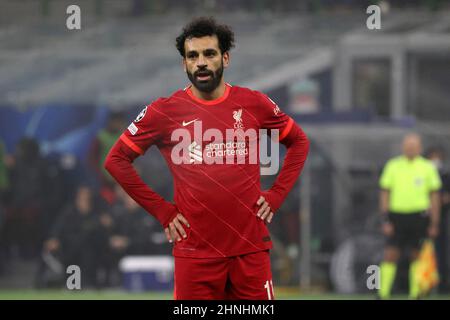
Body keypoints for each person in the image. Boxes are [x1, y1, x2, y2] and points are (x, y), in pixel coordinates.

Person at [104, 17, 309, 300]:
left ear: (225, 58)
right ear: (184, 64)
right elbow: (115, 160)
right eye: (193, 56)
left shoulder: (254, 103)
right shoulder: (164, 111)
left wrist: (276, 195)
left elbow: (299, 142)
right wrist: (163, 211)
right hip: (195, 256)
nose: (201, 62)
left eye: (209, 54)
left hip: (249, 252)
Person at [378, 133, 442, 299]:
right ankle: (382, 293)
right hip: (396, 216)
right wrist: (385, 219)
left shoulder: (427, 167)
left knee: (417, 255)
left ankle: (416, 294)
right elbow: (385, 193)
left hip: (419, 217)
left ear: (419, 148)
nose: (410, 149)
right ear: (403, 147)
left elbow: (434, 197)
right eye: (407, 146)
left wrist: (434, 222)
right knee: (390, 254)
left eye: (413, 147)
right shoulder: (393, 166)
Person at [425, 146, 450, 293]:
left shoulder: (445, 175)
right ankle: (422, 284)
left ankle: (442, 284)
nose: (436, 160)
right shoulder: (422, 174)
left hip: (441, 221)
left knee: (441, 252)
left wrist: (441, 201)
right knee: (422, 251)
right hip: (421, 219)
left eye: (438, 157)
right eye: (433, 157)